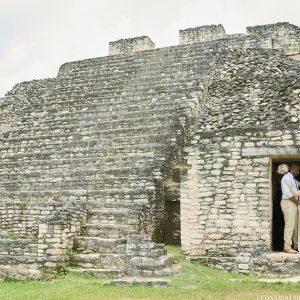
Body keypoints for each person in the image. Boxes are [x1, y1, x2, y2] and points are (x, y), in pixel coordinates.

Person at [280, 163, 300, 254]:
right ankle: (287, 246)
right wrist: (297, 202)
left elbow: (294, 193)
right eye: (298, 170)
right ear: (293, 168)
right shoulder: (286, 177)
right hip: (288, 202)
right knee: (290, 224)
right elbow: (288, 194)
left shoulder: (292, 179)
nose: (298, 172)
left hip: (294, 203)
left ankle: (296, 245)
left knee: (296, 225)